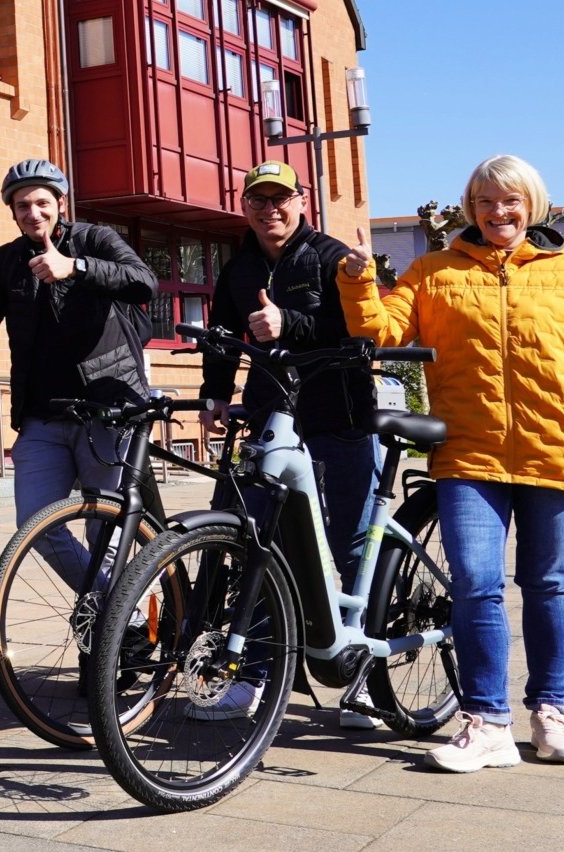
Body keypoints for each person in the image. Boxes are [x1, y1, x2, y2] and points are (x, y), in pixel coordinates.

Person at [340, 154, 564, 772]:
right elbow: (384, 334)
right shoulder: (433, 273)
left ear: (532, 205)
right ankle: (487, 721)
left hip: (557, 451)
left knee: (548, 584)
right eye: (486, 201)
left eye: (510, 201)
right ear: (471, 208)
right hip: (468, 452)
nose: (498, 212)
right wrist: (359, 280)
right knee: (475, 585)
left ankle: (551, 713)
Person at [194, 161, 382, 728]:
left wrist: (290, 324)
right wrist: (214, 394)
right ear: (244, 207)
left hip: (340, 421)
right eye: (258, 200)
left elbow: (357, 331)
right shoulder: (240, 266)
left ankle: (359, 679)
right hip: (273, 420)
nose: (269, 209)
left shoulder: (327, 256)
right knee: (259, 545)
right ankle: (252, 675)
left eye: (280, 198)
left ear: (301, 201)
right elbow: (225, 336)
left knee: (349, 547)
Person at [0, 159, 157, 588]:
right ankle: (111, 611)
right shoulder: (6, 262)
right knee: (37, 526)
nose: (33, 213)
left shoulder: (95, 239)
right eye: (23, 205)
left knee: (105, 529)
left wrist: (77, 267)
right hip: (43, 415)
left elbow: (144, 282)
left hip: (108, 411)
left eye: (42, 202)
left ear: (61, 203)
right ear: (13, 212)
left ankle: (111, 633)